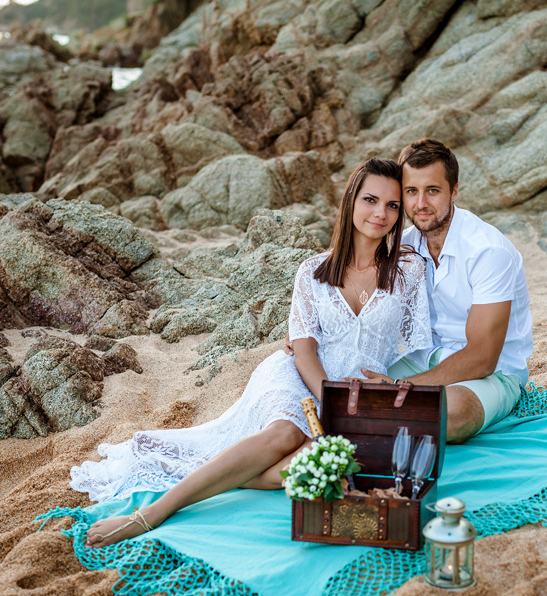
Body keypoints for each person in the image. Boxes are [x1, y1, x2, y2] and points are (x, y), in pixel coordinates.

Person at [75, 158, 431, 548]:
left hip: (359, 396)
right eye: (370, 200)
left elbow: (417, 343)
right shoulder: (313, 271)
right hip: (300, 376)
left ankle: (224, 470)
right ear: (350, 201)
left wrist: (380, 395)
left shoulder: (410, 269)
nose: (381, 213)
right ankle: (150, 515)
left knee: (322, 461)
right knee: (285, 435)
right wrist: (332, 398)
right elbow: (304, 350)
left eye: (393, 205)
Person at [359, 139, 534, 442]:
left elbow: (482, 357)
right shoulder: (406, 244)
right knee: (348, 378)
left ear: (454, 191)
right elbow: (352, 285)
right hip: (421, 358)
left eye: (433, 191)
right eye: (412, 191)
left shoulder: (488, 251)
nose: (421, 203)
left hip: (490, 374)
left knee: (450, 414)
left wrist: (402, 385)